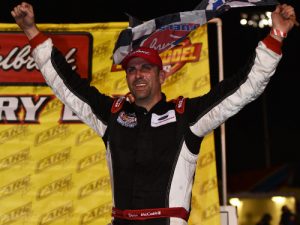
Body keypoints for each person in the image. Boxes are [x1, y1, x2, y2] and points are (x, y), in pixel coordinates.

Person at [11, 2, 296, 225]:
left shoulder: (187, 116)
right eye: (132, 69)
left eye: (146, 68)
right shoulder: (113, 115)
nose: (138, 75)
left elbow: (243, 88)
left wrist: (277, 35)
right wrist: (32, 32)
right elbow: (67, 86)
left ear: (161, 74)